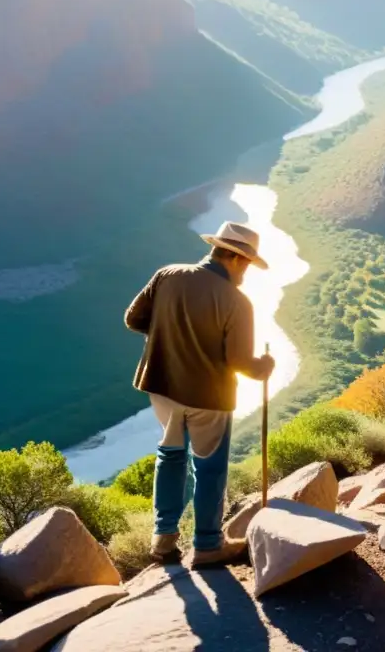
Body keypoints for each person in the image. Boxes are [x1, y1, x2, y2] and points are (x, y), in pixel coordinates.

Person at [124, 221, 275, 567]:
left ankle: (163, 542)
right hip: (209, 397)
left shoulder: (168, 275)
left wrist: (168, 334)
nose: (246, 273)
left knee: (170, 457)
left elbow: (133, 319)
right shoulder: (237, 301)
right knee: (209, 468)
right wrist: (263, 367)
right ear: (237, 259)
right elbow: (240, 363)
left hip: (161, 389)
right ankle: (207, 545)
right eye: (247, 265)